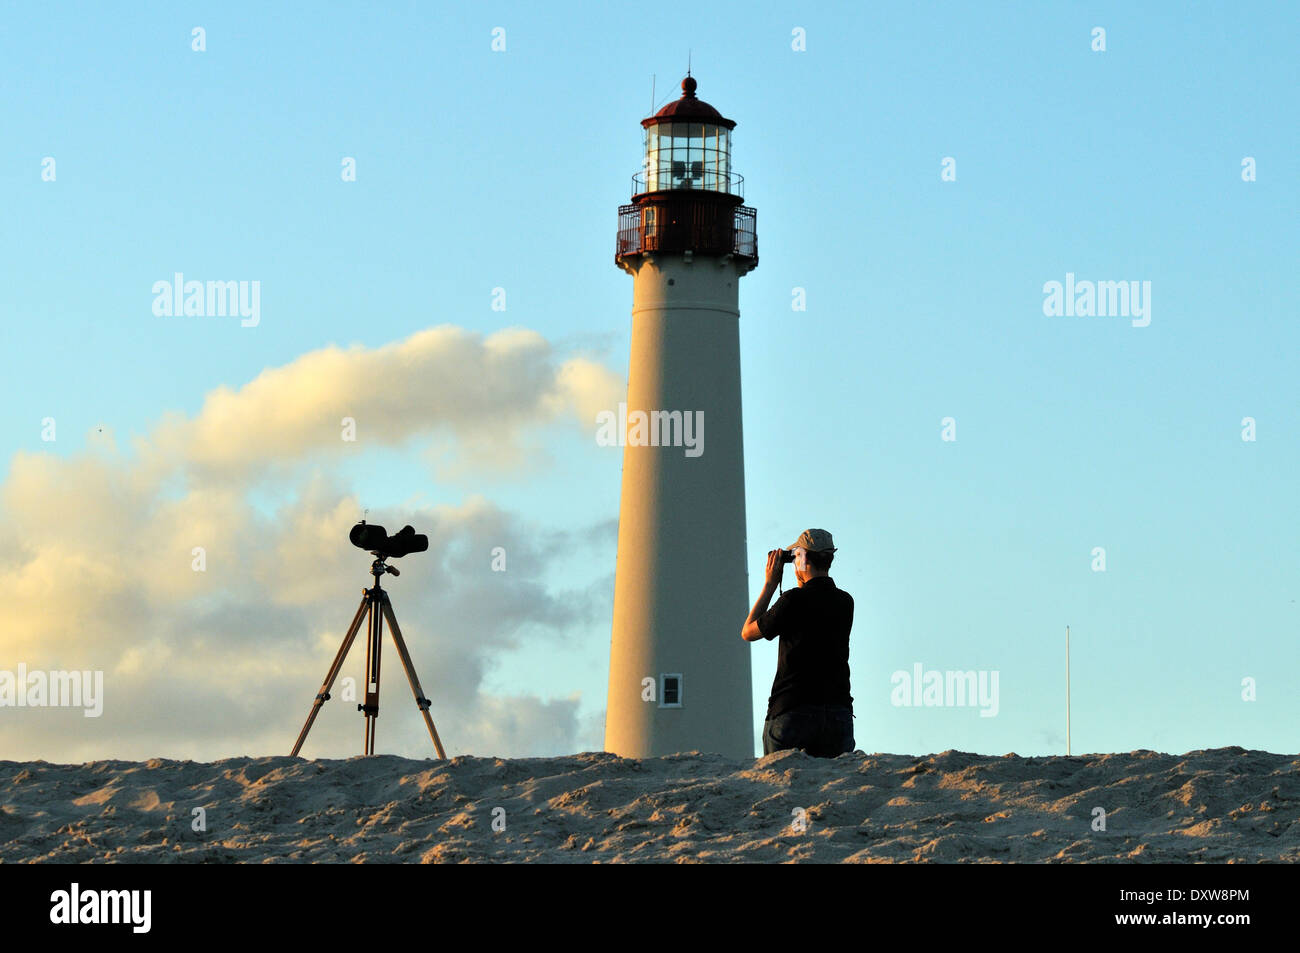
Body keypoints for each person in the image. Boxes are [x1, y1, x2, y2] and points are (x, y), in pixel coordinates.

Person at [740, 528, 855, 757]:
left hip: (793, 709)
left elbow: (748, 631)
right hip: (837, 711)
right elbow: (815, 602)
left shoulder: (792, 600)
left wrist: (770, 584)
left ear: (802, 558)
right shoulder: (845, 601)